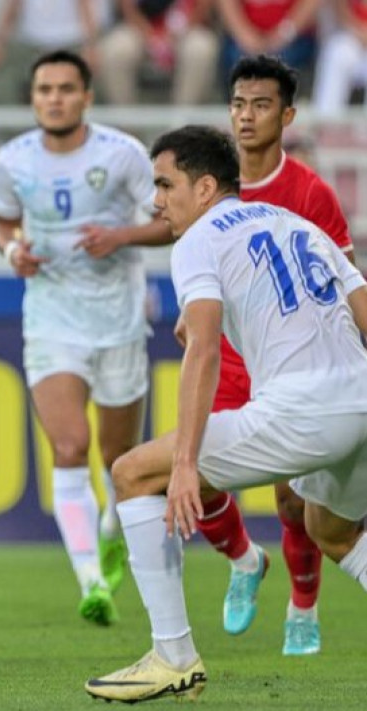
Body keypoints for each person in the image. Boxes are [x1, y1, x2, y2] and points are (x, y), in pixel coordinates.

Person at [86, 124, 367, 703]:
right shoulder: (300, 226)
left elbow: (206, 349)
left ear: (207, 186)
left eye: (165, 184)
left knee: (134, 472)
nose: (155, 200)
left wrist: (185, 462)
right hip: (359, 400)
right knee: (330, 529)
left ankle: (173, 656)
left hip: (303, 412)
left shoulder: (198, 240)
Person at [0, 49, 174, 626]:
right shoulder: (12, 160)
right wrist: (12, 250)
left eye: (67, 89)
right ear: (33, 97)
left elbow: (171, 219)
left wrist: (121, 236)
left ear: (87, 97)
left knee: (119, 458)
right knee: (69, 446)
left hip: (118, 319)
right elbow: (3, 220)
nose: (55, 98)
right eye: (45, 89)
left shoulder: (123, 155)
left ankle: (112, 530)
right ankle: (90, 578)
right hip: (50, 316)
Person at [184, 55, 356, 656]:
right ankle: (242, 559)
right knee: (195, 479)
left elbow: (340, 277)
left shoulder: (309, 191)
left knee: (292, 498)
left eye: (260, 105)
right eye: (237, 104)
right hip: (227, 356)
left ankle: (302, 608)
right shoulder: (211, 187)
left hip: (289, 362)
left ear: (287, 114)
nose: (247, 116)